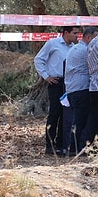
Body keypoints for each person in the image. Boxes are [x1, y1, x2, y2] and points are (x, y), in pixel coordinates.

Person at [33, 25, 80, 155]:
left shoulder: (74, 48)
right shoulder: (52, 43)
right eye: (75, 33)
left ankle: (61, 145)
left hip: (69, 83)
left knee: (66, 115)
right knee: (55, 114)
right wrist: (46, 76)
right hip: (56, 83)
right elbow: (38, 59)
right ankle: (49, 145)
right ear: (66, 33)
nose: (77, 36)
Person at [64, 26, 98, 156]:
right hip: (81, 88)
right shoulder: (86, 50)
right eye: (95, 38)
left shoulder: (74, 48)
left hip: (73, 89)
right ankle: (75, 148)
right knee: (80, 120)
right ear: (89, 37)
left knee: (78, 119)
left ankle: (74, 147)